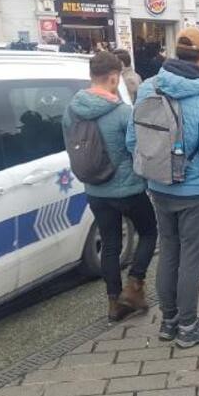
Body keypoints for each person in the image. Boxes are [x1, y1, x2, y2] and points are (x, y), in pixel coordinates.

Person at [127, 27, 199, 348]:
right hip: (196, 193)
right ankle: (189, 327)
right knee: (191, 258)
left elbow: (130, 141)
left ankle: (169, 321)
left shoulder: (149, 87)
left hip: (159, 186)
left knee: (169, 252)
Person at [62, 51, 157, 322]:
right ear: (114, 79)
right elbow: (137, 149)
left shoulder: (71, 111)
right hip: (129, 189)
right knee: (149, 233)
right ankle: (134, 286)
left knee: (111, 243)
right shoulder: (123, 113)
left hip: (95, 190)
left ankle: (114, 302)